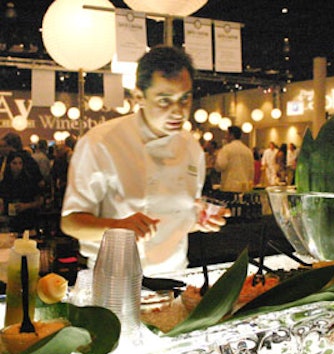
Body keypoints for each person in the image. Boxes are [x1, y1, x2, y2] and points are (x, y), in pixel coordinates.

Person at [61, 45, 228, 277]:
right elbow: (70, 222)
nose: (178, 111)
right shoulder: (101, 143)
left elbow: (172, 220)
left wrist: (197, 221)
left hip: (174, 275)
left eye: (185, 99)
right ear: (139, 96)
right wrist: (117, 227)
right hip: (115, 278)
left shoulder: (192, 148)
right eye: (164, 100)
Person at [0, 151, 43, 235]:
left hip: (27, 219)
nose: (18, 167)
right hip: (10, 221)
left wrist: (26, 206)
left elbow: (40, 201)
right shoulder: (4, 183)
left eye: (20, 163)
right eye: (14, 163)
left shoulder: (29, 181)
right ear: (9, 165)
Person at [215, 125, 255, 192]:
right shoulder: (248, 151)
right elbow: (251, 171)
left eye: (227, 134)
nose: (225, 137)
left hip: (229, 186)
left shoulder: (226, 149)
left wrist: (215, 162)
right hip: (244, 186)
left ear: (231, 135)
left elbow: (220, 166)